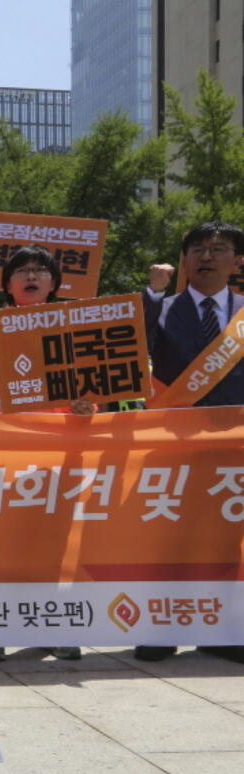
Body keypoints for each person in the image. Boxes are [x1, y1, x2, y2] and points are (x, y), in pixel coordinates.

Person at [0, 246, 88, 663]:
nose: (32, 276)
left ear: (55, 283)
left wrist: (87, 406)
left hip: (59, 451)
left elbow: (98, 388)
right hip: (3, 450)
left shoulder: (76, 327)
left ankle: (53, 625)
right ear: (9, 284)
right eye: (22, 270)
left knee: (53, 544)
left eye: (41, 270)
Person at [135, 221, 244, 664]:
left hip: (234, 448)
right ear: (183, 261)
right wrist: (150, 293)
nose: (206, 256)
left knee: (228, 541)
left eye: (218, 249)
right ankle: (161, 629)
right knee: (168, 540)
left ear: (237, 261)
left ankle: (226, 631)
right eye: (197, 249)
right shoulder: (162, 308)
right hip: (173, 447)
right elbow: (127, 349)